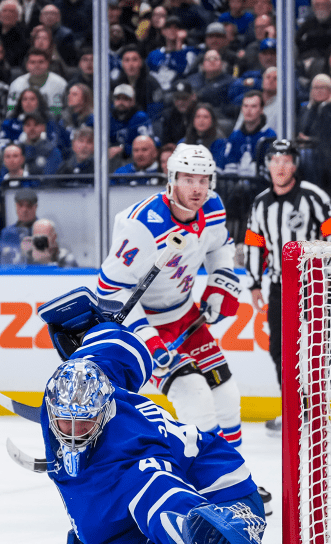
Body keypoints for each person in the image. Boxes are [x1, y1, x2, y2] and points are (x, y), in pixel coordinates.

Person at [27, 319, 269, 544]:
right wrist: (99, 326)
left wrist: (201, 537)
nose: (72, 432)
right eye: (65, 421)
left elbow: (163, 491)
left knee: (171, 533)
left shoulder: (135, 451)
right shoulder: (83, 391)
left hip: (224, 496)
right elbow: (121, 352)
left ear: (106, 410)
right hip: (185, 487)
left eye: (84, 422)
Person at [97, 142, 245, 448]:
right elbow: (109, 286)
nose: (197, 189)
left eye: (203, 180)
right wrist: (145, 335)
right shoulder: (141, 225)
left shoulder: (213, 207)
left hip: (185, 315)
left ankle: (236, 479)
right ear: (172, 179)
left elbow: (219, 246)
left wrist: (220, 281)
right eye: (188, 179)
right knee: (195, 395)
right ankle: (205, 478)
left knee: (227, 396)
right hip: (146, 324)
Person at [243, 139, 331, 431]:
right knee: (279, 347)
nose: (280, 166)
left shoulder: (313, 197)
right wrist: (253, 283)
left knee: (327, 343)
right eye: (275, 161)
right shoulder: (261, 203)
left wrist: (324, 267)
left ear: (295, 165)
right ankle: (296, 408)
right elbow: (254, 244)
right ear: (267, 166)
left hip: (313, 282)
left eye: (286, 160)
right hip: (278, 286)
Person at [6, 49, 67, 117]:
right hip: (23, 124)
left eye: (41, 62)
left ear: (47, 64)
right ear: (27, 65)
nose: (37, 65)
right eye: (32, 62)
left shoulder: (61, 84)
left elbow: (67, 111)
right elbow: (11, 111)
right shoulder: (16, 84)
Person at [109, 84, 153, 161]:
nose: (121, 102)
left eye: (125, 99)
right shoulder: (109, 118)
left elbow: (147, 146)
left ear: (133, 101)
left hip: (135, 159)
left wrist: (123, 149)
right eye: (118, 98)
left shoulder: (140, 117)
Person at [0, 186, 38, 265]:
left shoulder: (44, 229)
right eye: (20, 205)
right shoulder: (7, 232)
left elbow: (50, 260)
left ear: (35, 207)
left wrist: (33, 252)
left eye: (29, 206)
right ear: (16, 206)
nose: (24, 210)